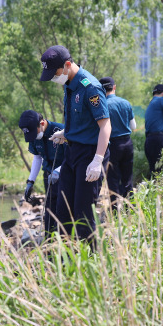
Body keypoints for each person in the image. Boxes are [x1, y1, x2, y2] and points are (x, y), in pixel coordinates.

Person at [39, 45, 111, 245]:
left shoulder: (91, 87)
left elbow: (105, 126)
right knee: (63, 210)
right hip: (72, 152)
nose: (54, 78)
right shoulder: (68, 84)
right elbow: (77, 118)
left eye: (55, 74)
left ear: (68, 65)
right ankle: (65, 261)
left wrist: (97, 160)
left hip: (90, 154)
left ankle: (90, 262)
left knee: (83, 213)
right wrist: (66, 133)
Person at [18, 110, 66, 236]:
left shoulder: (61, 130)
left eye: (35, 132)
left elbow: (72, 156)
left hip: (66, 174)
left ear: (42, 123)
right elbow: (37, 157)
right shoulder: (33, 136)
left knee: (63, 210)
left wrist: (58, 171)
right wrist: (30, 181)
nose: (34, 136)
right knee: (49, 211)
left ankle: (65, 243)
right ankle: (49, 245)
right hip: (49, 176)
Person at [99, 76, 136, 208]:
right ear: (114, 87)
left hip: (112, 145)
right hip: (127, 143)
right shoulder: (125, 103)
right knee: (127, 178)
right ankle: (129, 208)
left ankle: (114, 211)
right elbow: (133, 126)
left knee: (112, 179)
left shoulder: (102, 105)